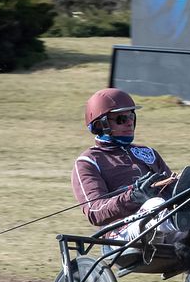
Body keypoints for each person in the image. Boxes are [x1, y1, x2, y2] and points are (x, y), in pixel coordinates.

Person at [71, 88, 180, 245]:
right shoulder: (88, 162)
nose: (129, 122)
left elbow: (172, 190)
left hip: (161, 226)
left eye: (131, 116)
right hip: (120, 235)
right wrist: (132, 197)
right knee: (154, 204)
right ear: (101, 124)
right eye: (121, 118)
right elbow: (94, 211)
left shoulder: (147, 152)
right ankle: (180, 223)